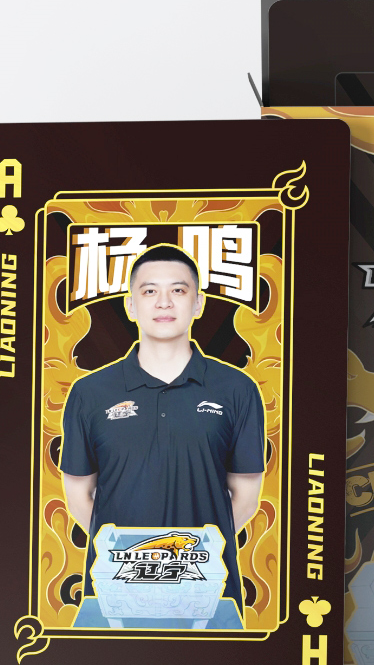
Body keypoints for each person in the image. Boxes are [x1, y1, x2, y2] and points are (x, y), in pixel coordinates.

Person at [59, 244, 266, 616]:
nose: (164, 302)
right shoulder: (90, 393)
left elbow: (246, 497)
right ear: (131, 305)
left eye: (179, 290)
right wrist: (134, 556)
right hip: (115, 588)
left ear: (198, 304)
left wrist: (191, 555)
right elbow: (78, 497)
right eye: (150, 290)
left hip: (208, 588)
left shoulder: (237, 389)